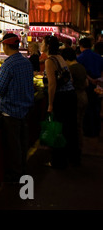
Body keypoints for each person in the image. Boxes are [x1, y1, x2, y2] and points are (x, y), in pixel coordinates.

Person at [0, 33, 35, 182]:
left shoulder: (8, 64)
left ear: (5, 46)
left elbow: (0, 88)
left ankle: (15, 174)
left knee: (13, 145)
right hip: (25, 108)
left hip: (11, 111)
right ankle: (23, 167)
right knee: (23, 141)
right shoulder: (26, 62)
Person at [41, 35, 80, 168]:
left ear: (47, 46)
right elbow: (70, 79)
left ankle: (58, 161)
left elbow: (52, 85)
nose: (41, 44)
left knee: (57, 130)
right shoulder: (60, 57)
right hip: (70, 95)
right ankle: (73, 157)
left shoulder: (49, 61)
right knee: (69, 128)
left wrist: (51, 104)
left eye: (42, 42)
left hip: (61, 98)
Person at [61, 47, 88, 153]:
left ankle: (74, 149)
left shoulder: (71, 69)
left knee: (74, 124)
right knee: (79, 124)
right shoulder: (81, 67)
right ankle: (79, 147)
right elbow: (86, 83)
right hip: (84, 95)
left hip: (76, 97)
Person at [77, 37, 103, 137]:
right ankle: (96, 130)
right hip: (98, 85)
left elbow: (81, 72)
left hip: (87, 85)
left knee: (87, 109)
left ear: (81, 46)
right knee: (96, 107)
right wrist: (98, 80)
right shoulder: (98, 57)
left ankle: (88, 131)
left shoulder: (80, 58)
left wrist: (90, 79)